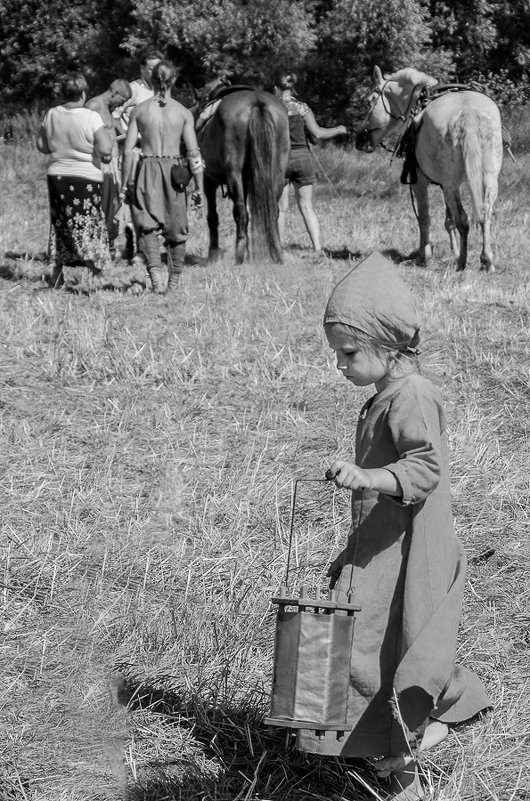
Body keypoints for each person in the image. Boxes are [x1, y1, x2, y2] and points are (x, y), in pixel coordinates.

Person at [299, 252, 490, 800]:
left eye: (349, 352)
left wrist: (368, 475)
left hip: (412, 552)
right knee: (373, 650)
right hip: (384, 545)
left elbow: (425, 467)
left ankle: (440, 717)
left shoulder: (412, 395)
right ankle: (399, 768)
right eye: (335, 353)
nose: (339, 364)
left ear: (387, 343)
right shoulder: (384, 393)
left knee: (400, 650)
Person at [122, 60, 204, 294]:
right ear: (174, 80)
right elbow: (193, 153)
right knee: (177, 228)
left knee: (146, 227)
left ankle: (155, 277)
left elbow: (128, 151)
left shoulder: (139, 110)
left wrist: (126, 182)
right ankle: (173, 282)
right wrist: (198, 188)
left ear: (151, 79)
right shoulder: (182, 112)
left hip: (147, 168)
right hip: (173, 172)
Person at [36, 72, 114, 287]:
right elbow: (105, 148)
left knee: (61, 225)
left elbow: (42, 146)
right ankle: (95, 273)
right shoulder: (91, 117)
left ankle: (57, 273)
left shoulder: (51, 114)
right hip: (85, 177)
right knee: (87, 225)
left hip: (58, 176)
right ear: (82, 93)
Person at [275, 73, 347, 256]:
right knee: (307, 206)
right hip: (303, 158)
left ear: (276, 88)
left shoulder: (272, 107)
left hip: (280, 160)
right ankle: (317, 248)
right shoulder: (302, 107)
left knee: (281, 209)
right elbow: (318, 134)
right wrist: (338, 129)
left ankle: (277, 249)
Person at [113, 49, 164, 258]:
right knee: (131, 196)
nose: (155, 73)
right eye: (150, 68)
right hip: (133, 152)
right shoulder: (133, 90)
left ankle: (147, 245)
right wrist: (128, 136)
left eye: (158, 68)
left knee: (153, 198)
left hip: (155, 153)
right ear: (142, 68)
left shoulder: (162, 91)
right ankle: (132, 244)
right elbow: (115, 116)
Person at [85, 79, 132, 253]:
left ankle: (107, 242)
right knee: (101, 205)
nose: (123, 104)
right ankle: (97, 244)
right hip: (99, 166)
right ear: (114, 93)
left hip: (112, 166)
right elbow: (85, 134)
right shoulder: (94, 106)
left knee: (112, 205)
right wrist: (99, 152)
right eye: (122, 100)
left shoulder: (107, 108)